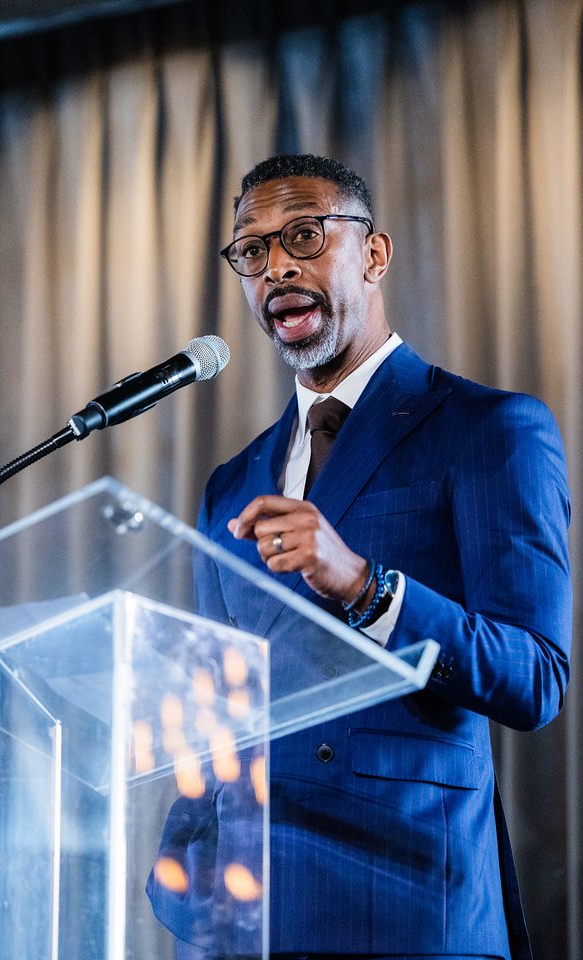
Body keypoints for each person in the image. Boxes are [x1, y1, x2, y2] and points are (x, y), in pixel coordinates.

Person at [149, 155, 572, 960]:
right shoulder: (231, 482)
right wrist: (181, 863)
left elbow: (535, 676)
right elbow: (221, 702)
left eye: (303, 236)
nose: (276, 266)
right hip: (251, 919)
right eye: (252, 251)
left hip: (407, 906)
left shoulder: (488, 430)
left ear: (373, 255)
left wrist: (365, 587)